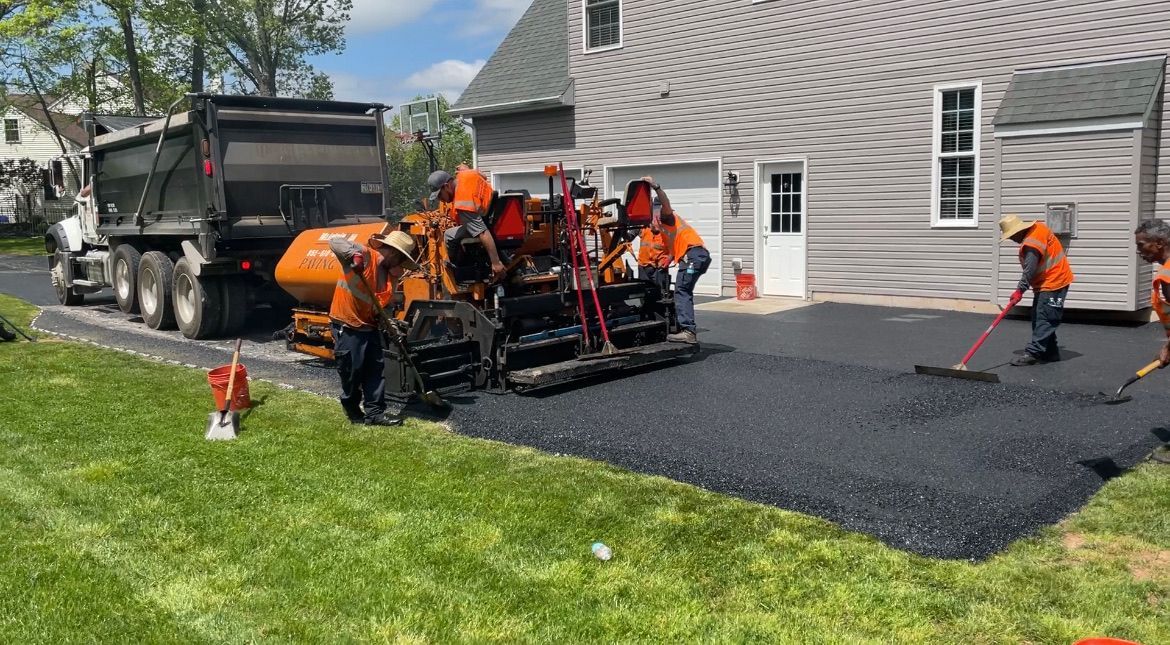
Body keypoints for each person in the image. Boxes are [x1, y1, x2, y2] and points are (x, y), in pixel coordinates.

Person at [328, 229, 418, 426]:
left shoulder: (390, 278)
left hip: (369, 327)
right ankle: (352, 409)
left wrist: (392, 328)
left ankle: (375, 413)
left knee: (375, 371)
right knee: (352, 372)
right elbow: (335, 241)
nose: (400, 267)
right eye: (401, 261)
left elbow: (382, 309)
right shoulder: (366, 255)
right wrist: (355, 256)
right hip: (347, 323)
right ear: (395, 254)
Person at [999, 214, 1075, 366]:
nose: (1012, 239)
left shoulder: (1031, 243)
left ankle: (1033, 352)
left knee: (1044, 318)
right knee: (1042, 316)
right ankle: (1050, 352)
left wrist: (1019, 291)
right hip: (1049, 282)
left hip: (1054, 282)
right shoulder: (1037, 229)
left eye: (1011, 236)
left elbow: (1030, 269)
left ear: (1018, 231)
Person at [643, 176, 710, 344]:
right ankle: (687, 329)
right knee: (683, 289)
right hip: (695, 256)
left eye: (649, 219)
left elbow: (665, 203)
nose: (648, 225)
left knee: (682, 290)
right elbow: (676, 246)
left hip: (693, 256)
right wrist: (670, 259)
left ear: (655, 214)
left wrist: (656, 187)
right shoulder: (666, 232)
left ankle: (688, 331)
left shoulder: (667, 217)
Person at [427, 166, 507, 282]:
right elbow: (482, 175)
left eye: (440, 195)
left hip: (485, 225)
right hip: (493, 218)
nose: (441, 200)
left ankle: (457, 271)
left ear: (447, 186)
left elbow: (483, 232)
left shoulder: (462, 204)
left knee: (449, 235)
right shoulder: (467, 175)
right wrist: (467, 169)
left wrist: (496, 263)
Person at [1133, 218, 1170, 465]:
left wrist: (1168, 347)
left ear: (1159, 243)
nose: (1139, 251)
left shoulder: (1168, 276)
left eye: (1142, 245)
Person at [636, 210, 670, 293]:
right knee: (644, 291)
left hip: (659, 268)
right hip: (643, 266)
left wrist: (666, 261)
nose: (652, 225)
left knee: (659, 292)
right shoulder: (644, 229)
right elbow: (630, 235)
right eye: (652, 222)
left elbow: (673, 250)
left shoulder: (666, 234)